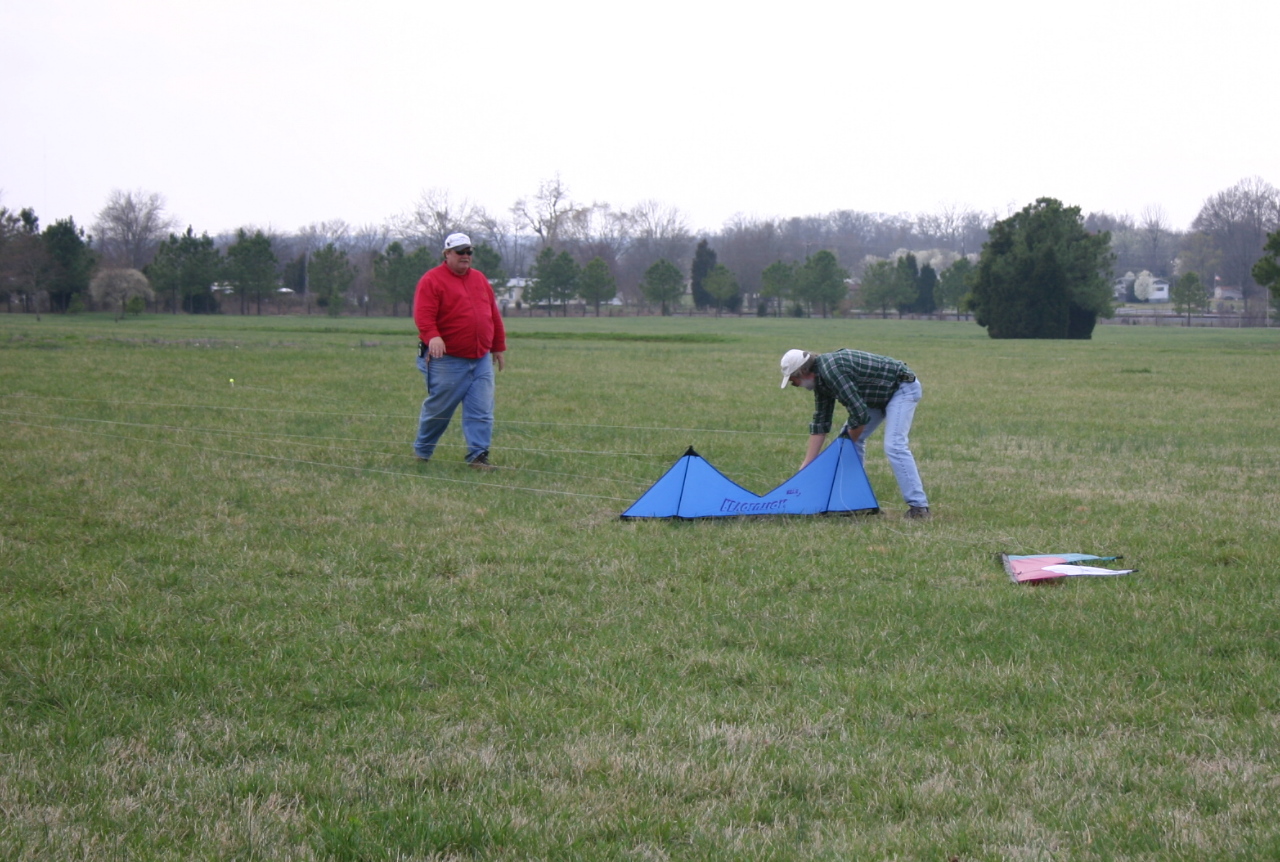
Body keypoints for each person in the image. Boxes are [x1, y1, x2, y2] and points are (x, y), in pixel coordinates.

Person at [780, 348, 930, 519]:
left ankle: (919, 508)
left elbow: (859, 416)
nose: (794, 384)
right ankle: (855, 503)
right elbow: (821, 422)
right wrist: (806, 467)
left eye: (792, 379)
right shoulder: (820, 381)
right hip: (875, 396)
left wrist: (842, 449)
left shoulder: (832, 371)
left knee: (894, 445)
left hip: (901, 387)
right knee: (849, 441)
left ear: (803, 372)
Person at [412, 233, 506, 469]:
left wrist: (498, 346)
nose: (465, 256)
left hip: (480, 357)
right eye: (460, 252)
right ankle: (422, 452)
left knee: (481, 410)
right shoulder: (432, 280)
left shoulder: (479, 279)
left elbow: (492, 314)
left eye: (468, 252)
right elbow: (423, 315)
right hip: (447, 359)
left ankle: (478, 457)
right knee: (439, 411)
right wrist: (433, 336)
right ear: (447, 254)